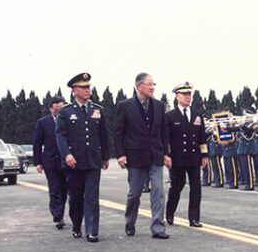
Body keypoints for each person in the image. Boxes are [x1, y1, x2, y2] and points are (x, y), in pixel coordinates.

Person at [114, 72, 170, 239]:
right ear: (139, 86)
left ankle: (158, 227)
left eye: (154, 85)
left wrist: (166, 154)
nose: (152, 88)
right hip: (135, 157)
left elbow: (163, 132)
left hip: (155, 155)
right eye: (149, 84)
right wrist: (120, 154)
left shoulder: (159, 106)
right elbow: (118, 133)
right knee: (135, 193)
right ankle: (130, 222)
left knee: (158, 191)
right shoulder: (125, 106)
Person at [56, 73, 110, 242]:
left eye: (89, 87)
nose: (88, 90)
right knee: (76, 197)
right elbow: (61, 136)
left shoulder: (97, 110)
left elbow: (104, 135)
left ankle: (92, 231)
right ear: (74, 91)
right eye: (83, 87)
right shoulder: (65, 112)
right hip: (75, 162)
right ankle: (77, 224)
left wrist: (105, 156)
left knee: (92, 196)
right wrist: (67, 155)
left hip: (93, 160)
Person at [165, 82, 208, 228]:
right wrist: (167, 155)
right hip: (177, 158)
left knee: (196, 187)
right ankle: (170, 212)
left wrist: (204, 155)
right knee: (177, 186)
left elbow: (202, 138)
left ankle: (194, 218)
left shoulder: (197, 115)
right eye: (184, 94)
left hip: (194, 157)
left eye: (189, 94)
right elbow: (166, 139)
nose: (188, 97)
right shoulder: (170, 116)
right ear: (177, 96)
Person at [33, 96, 68, 230]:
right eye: (56, 110)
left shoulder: (68, 121)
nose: (58, 113)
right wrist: (38, 162)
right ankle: (58, 216)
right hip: (50, 161)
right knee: (54, 189)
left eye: (61, 109)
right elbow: (37, 143)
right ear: (50, 109)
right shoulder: (43, 122)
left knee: (64, 189)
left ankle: (61, 212)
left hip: (65, 160)